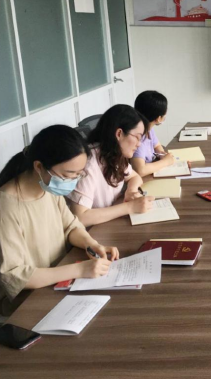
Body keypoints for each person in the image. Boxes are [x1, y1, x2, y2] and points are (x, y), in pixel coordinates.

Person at [0, 126, 118, 316]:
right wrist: (79, 270)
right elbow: (15, 275)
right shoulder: (6, 205)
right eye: (67, 175)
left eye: (79, 174)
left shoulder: (47, 188)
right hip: (29, 301)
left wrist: (92, 245)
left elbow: (70, 226)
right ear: (39, 167)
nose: (73, 181)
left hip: (60, 281)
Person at [67, 105, 154, 227]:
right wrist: (129, 207)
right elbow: (80, 217)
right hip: (92, 231)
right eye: (137, 137)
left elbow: (135, 177)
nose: (139, 144)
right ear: (119, 134)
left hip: (108, 224)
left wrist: (131, 191)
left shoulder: (114, 155)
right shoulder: (88, 163)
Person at [131, 90, 175, 177]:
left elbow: (157, 146)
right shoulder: (138, 137)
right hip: (143, 180)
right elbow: (140, 170)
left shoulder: (149, 129)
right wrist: (165, 162)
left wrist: (162, 155)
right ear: (158, 118)